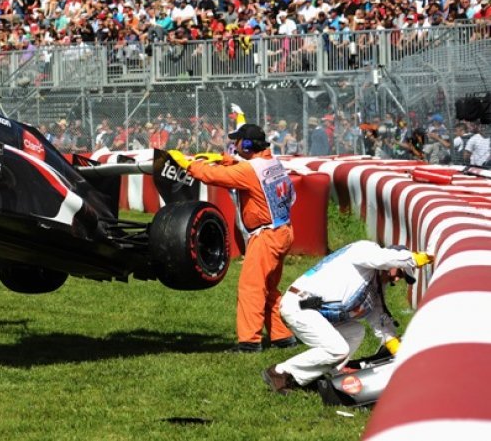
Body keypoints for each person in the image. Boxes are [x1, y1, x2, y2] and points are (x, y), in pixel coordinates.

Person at [169, 123, 297, 352]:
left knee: (251, 288)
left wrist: (190, 165)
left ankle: (249, 342)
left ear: (247, 144)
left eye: (237, 140)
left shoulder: (249, 171)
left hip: (266, 235)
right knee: (269, 287)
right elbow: (246, 168)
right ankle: (282, 336)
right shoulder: (272, 162)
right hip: (283, 230)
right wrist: (224, 158)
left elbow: (214, 176)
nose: (234, 144)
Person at [261, 240, 433, 394]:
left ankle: (328, 376)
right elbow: (383, 258)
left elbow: (381, 323)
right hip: (298, 305)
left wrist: (400, 353)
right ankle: (280, 372)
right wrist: (419, 258)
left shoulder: (375, 285)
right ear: (390, 258)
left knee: (356, 331)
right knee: (337, 349)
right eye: (399, 271)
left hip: (313, 312)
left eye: (401, 277)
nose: (396, 277)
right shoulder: (364, 249)